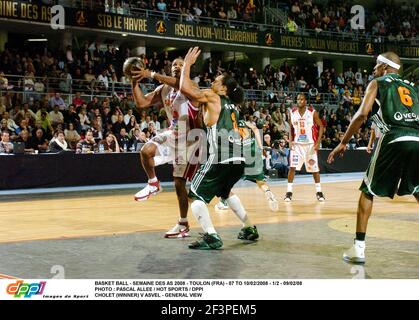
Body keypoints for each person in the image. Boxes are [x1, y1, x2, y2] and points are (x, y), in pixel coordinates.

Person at [328, 52, 419, 264]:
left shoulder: (378, 82)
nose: (373, 69)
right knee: (417, 189)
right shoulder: (413, 87)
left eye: (376, 65)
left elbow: (362, 114)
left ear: (385, 67)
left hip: (395, 136)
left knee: (367, 189)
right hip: (417, 138)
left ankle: (358, 248)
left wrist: (343, 142)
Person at [179, 47, 259, 250]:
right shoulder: (232, 104)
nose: (212, 82)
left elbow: (185, 89)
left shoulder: (213, 97)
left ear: (223, 88)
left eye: (216, 80)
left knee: (194, 196)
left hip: (219, 157)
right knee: (226, 191)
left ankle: (211, 236)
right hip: (239, 160)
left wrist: (186, 65)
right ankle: (249, 228)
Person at [130, 58, 201, 239]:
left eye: (179, 64)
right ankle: (153, 183)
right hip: (174, 134)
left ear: (185, 68)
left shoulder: (190, 85)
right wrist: (134, 82)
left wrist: (152, 74)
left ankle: (185, 222)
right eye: (173, 65)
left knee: (182, 184)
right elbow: (142, 103)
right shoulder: (164, 89)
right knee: (146, 151)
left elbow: (180, 84)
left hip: (192, 139)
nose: (176, 67)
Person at [214, 120, 279, 212]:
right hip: (255, 153)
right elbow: (256, 130)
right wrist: (261, 147)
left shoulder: (232, 132)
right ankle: (268, 192)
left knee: (229, 181)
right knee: (260, 182)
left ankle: (223, 202)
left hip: (243, 157)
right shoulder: (249, 130)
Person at [284, 94, 325, 202]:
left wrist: (318, 142)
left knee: (315, 170)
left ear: (305, 101)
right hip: (297, 146)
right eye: (298, 99)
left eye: (302, 99)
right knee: (292, 167)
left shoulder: (312, 112)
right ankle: (289, 192)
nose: (299, 101)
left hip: (310, 145)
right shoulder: (292, 113)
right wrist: (290, 140)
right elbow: (290, 128)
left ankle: (319, 192)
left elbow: (321, 126)